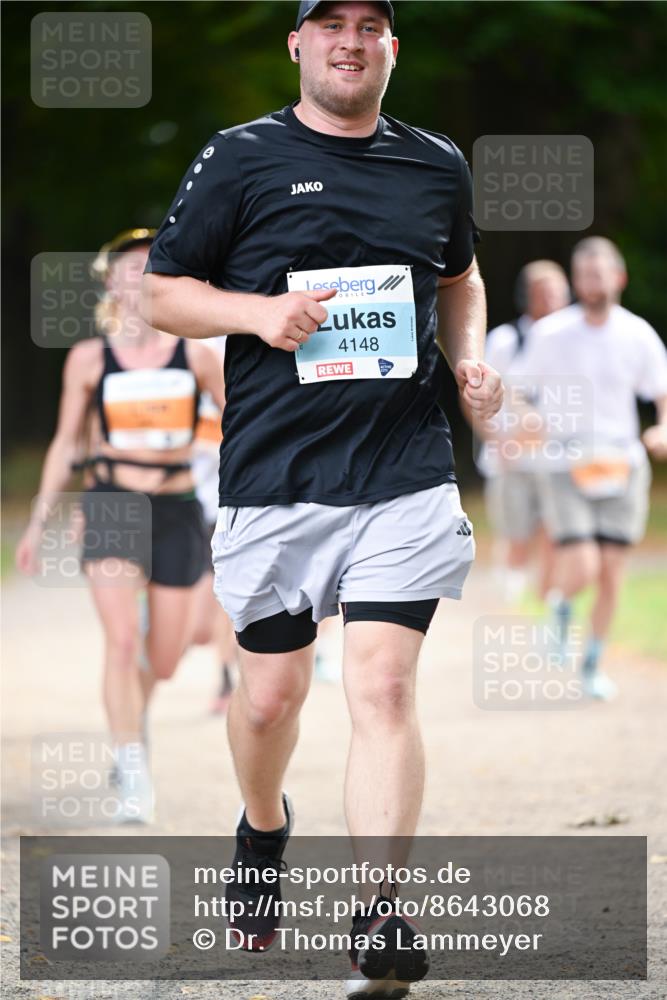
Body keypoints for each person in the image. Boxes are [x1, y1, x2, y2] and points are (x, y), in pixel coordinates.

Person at [142, 3, 502, 995]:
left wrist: (466, 361)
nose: (350, 38)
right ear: (297, 44)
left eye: (370, 23)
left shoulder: (435, 164)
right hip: (276, 478)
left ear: (393, 46)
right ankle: (263, 828)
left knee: (382, 687)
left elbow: (462, 279)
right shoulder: (239, 157)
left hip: (403, 470)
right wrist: (260, 312)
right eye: (328, 22)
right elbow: (164, 294)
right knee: (270, 697)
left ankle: (379, 914)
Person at [16, 229, 226, 821]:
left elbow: (237, 430)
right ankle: (132, 767)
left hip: (178, 507)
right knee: (122, 641)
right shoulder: (88, 358)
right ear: (110, 283)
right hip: (111, 502)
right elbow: (64, 444)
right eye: (127, 270)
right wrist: (38, 521)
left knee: (162, 660)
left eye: (149, 269)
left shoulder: (198, 355)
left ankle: (133, 717)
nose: (137, 279)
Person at [517, 237, 667, 699]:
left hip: (622, 460)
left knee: (611, 572)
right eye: (583, 275)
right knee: (581, 563)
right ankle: (560, 606)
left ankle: (593, 663)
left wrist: (662, 429)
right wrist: (527, 416)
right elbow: (520, 389)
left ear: (618, 278)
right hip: (565, 460)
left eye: (599, 273)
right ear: (575, 280)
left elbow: (661, 390)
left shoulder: (637, 333)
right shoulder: (551, 334)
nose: (591, 282)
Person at [479, 260, 570, 602]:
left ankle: (546, 606)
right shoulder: (505, 340)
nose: (550, 298)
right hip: (511, 459)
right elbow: (477, 398)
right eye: (541, 291)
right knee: (516, 538)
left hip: (556, 459)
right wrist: (497, 441)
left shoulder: (574, 340)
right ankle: (510, 605)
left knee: (553, 537)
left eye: (556, 291)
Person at [189, 335, 238, 713]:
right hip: (185, 500)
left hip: (230, 499)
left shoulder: (246, 335)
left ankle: (226, 678)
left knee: (226, 598)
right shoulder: (180, 343)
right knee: (198, 627)